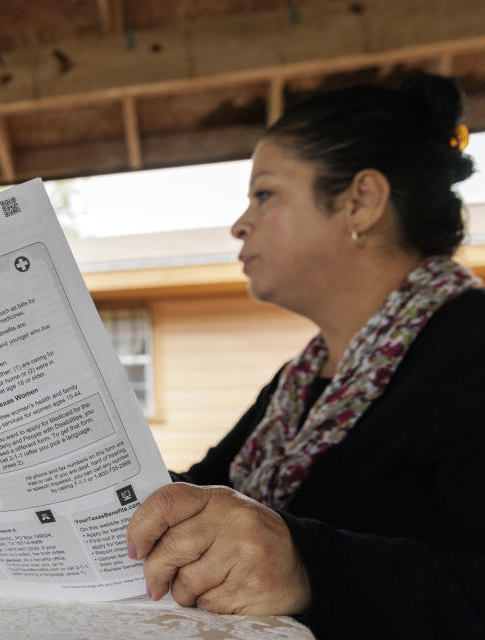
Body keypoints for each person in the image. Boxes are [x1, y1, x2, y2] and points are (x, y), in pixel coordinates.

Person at [126, 73, 485, 639]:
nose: (240, 224)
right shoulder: (297, 388)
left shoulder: (471, 351)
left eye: (264, 194)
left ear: (361, 201)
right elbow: (202, 496)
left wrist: (309, 565)